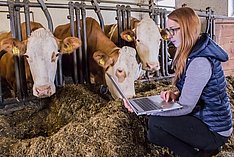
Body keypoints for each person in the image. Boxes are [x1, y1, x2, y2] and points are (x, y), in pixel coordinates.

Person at [122, 7, 233, 157]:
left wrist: (147, 110)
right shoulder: (192, 53)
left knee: (156, 124)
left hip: (214, 129)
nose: (169, 36)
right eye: (168, 31)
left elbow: (186, 107)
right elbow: (197, 91)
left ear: (188, 29)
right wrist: (176, 94)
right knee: (154, 132)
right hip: (203, 118)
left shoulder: (199, 61)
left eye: (173, 30)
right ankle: (207, 150)